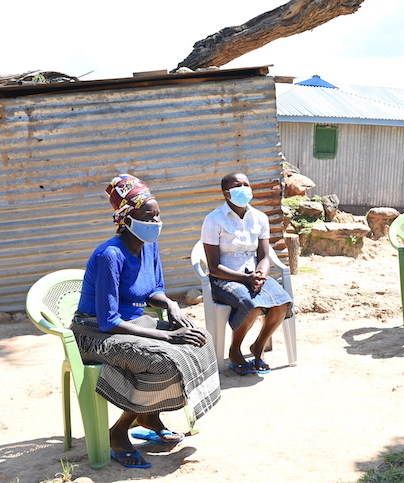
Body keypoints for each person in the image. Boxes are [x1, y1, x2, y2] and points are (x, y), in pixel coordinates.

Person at [72, 174, 221, 469]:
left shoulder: (148, 246)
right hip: (95, 332)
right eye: (148, 215)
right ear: (126, 218)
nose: (156, 221)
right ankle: (117, 432)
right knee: (163, 360)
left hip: (133, 322)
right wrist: (165, 337)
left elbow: (153, 291)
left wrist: (170, 305)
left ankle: (149, 414)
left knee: (199, 338)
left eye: (158, 215)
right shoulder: (110, 256)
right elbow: (108, 320)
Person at [201, 171, 293, 376]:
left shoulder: (260, 218)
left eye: (246, 184)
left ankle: (258, 347)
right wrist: (246, 279)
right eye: (238, 186)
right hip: (224, 278)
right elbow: (214, 266)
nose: (244, 189)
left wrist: (260, 275)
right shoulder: (213, 219)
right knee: (250, 303)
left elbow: (263, 256)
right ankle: (235, 350)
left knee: (282, 302)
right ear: (226, 193)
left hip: (253, 275)